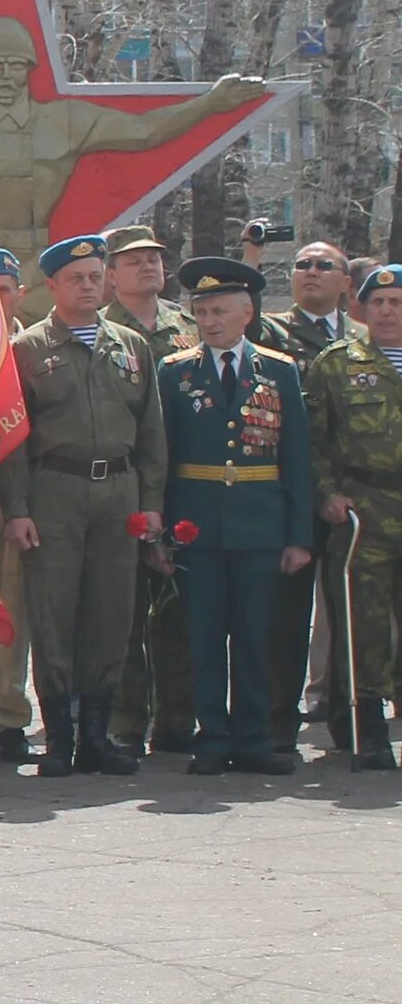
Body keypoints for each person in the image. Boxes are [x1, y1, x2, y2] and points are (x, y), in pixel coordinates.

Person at [0, 234, 163, 776]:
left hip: (118, 492)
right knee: (55, 614)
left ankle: (97, 733)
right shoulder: (28, 350)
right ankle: (60, 738)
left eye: (95, 277)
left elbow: (152, 434)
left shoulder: (132, 346)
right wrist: (17, 508)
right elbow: (14, 440)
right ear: (52, 287)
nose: (88, 286)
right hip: (56, 492)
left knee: (111, 614)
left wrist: (152, 502)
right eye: (76, 279)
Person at [158, 256, 315, 774]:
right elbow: (163, 455)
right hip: (197, 527)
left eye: (219, 310)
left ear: (247, 312)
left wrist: (298, 536)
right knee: (204, 637)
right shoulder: (176, 372)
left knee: (254, 635)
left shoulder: (280, 370)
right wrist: (161, 531)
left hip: (257, 526)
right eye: (201, 312)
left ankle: (252, 737)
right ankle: (212, 736)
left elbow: (295, 459)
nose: (209, 321)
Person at [255, 239, 365, 741]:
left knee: (351, 611)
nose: (311, 272)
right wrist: (253, 257)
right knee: (287, 615)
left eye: (325, 266)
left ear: (347, 282)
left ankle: (351, 718)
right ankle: (279, 720)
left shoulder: (367, 338)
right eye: (302, 265)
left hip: (358, 495)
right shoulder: (272, 332)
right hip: (292, 491)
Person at [301, 261, 402, 769]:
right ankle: (367, 727)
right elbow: (313, 441)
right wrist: (328, 493)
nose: (386, 311)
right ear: (361, 308)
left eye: (397, 302)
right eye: (377, 302)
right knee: (361, 623)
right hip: (365, 509)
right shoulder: (337, 362)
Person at [103, 223, 197, 754]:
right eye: (134, 260)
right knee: (122, 611)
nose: (148, 267)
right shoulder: (100, 328)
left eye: (155, 258)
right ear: (111, 274)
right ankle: (124, 720)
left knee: (176, 609)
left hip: (183, 486)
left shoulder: (187, 326)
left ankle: (178, 718)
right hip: (120, 483)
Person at [0, 244, 36, 752]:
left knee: (14, 609)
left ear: (22, 294)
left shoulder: (36, 350)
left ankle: (10, 717)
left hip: (17, 499)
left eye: (7, 289)